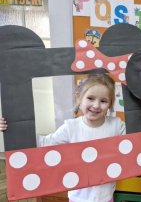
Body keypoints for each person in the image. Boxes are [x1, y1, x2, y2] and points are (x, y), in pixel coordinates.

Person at [1, 74, 125, 202]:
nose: (96, 105)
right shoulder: (70, 127)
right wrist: (14, 129)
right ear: (79, 98)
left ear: (110, 104)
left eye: (103, 101)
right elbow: (45, 143)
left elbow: (137, 140)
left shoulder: (116, 125)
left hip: (105, 196)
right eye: (90, 98)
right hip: (78, 197)